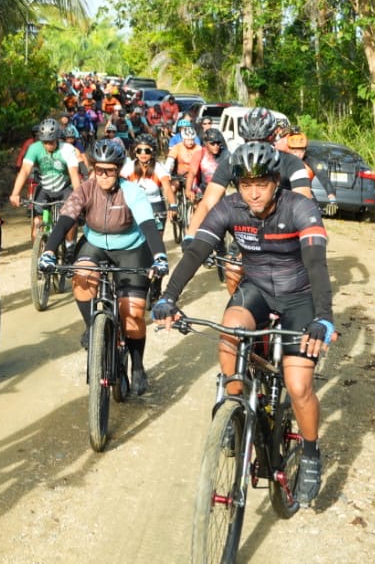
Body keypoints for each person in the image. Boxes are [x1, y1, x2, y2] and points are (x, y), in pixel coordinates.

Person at [154, 140, 335, 505]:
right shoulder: (230, 207)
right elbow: (196, 253)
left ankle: (312, 453)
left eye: (262, 184)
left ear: (276, 182)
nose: (253, 194)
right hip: (255, 291)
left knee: (298, 386)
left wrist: (323, 318)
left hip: (299, 297)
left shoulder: (300, 207)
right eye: (246, 185)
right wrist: (168, 296)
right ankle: (234, 412)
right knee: (230, 332)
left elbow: (317, 265)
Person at [39, 138, 169, 395]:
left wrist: (160, 256)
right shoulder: (85, 190)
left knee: (132, 312)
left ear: (118, 170)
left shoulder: (132, 191)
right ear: (93, 169)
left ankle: (138, 366)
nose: (104, 175)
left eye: (110, 170)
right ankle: (92, 326)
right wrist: (48, 252)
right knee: (82, 276)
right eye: (99, 170)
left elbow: (147, 225)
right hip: (95, 244)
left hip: (131, 248)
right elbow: (65, 221)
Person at [191, 105, 313, 230]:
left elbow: (304, 203)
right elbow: (207, 203)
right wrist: (190, 236)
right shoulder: (232, 162)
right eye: (249, 141)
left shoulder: (291, 162)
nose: (256, 146)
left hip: (284, 226)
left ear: (273, 136)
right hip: (248, 227)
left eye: (262, 140)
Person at [9, 117, 84, 239]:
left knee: (70, 220)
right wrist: (15, 193)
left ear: (57, 138)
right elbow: (25, 170)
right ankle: (39, 252)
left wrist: (79, 197)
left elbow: (74, 175)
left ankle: (70, 249)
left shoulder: (67, 149)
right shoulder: (34, 148)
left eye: (51, 142)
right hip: (44, 188)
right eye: (45, 142)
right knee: (37, 222)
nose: (48, 145)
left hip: (64, 188)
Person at [125, 135, 179, 239]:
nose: (143, 154)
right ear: (135, 151)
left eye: (147, 150)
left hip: (156, 206)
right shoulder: (128, 167)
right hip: (135, 206)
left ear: (153, 152)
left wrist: (173, 205)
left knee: (156, 241)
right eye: (140, 150)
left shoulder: (159, 168)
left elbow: (167, 188)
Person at [165, 116, 205, 202]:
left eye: (192, 140)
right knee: (172, 188)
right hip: (179, 176)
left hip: (195, 178)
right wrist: (167, 172)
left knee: (196, 196)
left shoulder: (199, 148)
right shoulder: (177, 147)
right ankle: (172, 208)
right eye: (187, 140)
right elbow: (170, 161)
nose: (190, 142)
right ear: (183, 139)